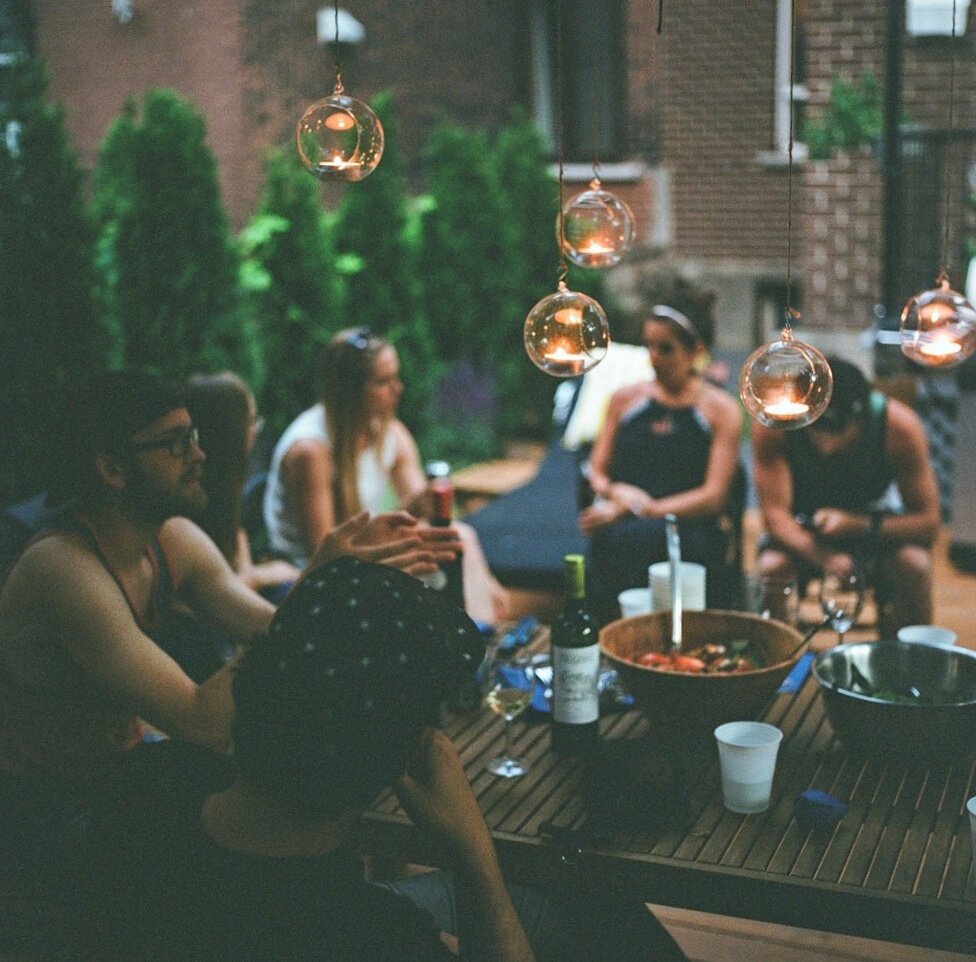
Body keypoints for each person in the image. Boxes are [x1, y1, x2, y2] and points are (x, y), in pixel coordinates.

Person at [0, 370, 460, 960]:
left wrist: (339, 578)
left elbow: (273, 632)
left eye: (193, 436)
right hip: (48, 814)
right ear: (112, 469)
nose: (199, 455)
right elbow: (201, 720)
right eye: (175, 444)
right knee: (273, 841)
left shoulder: (169, 540)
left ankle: (373, 920)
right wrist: (316, 587)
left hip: (128, 778)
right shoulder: (63, 571)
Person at [80, 556, 688, 962]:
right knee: (605, 910)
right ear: (395, 759)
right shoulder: (371, 937)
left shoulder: (146, 784)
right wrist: (473, 855)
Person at [264, 327, 509, 623]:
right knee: (446, 553)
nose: (398, 388)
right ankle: (479, 634)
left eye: (396, 377)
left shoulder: (389, 432)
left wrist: (424, 503)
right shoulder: (311, 451)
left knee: (458, 538)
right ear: (350, 390)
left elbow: (422, 520)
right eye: (383, 381)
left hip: (361, 554)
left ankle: (481, 630)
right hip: (309, 575)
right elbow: (323, 556)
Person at [751, 357, 940, 637]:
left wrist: (855, 525)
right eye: (815, 429)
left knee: (915, 564)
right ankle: (776, 652)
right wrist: (825, 556)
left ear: (861, 418)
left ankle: (905, 653)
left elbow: (928, 523)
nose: (826, 445)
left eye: (837, 432)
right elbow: (775, 518)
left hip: (871, 523)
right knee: (772, 567)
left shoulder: (899, 426)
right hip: (803, 529)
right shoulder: (777, 422)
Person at [578, 299, 743, 619]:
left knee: (671, 547)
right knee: (613, 541)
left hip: (688, 526)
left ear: (695, 351)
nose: (654, 357)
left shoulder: (720, 410)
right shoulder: (624, 400)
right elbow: (595, 469)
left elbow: (714, 496)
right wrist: (615, 491)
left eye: (665, 348)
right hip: (622, 520)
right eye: (649, 346)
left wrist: (645, 509)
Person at [185, 371, 300, 603]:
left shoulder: (229, 490)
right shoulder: (189, 502)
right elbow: (206, 594)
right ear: (230, 430)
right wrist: (265, 575)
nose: (255, 430)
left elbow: (241, 570)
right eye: (251, 420)